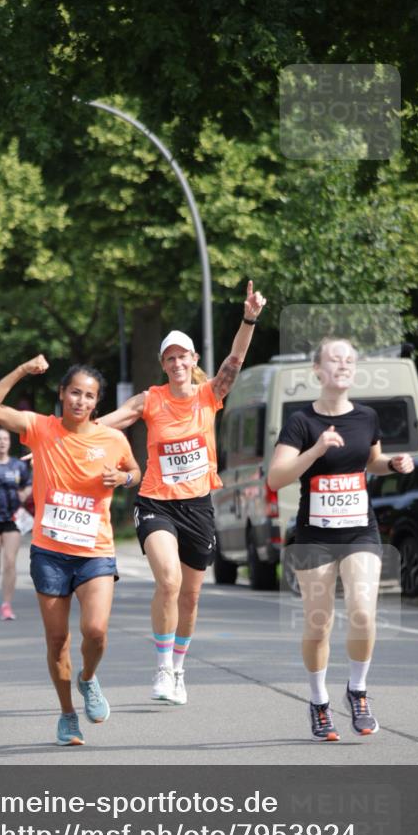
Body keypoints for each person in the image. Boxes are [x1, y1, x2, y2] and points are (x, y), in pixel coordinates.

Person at [99, 280, 266, 706]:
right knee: (169, 581)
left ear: (193, 361)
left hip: (198, 506)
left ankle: (177, 668)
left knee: (190, 597)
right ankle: (160, 668)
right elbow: (108, 422)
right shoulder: (150, 400)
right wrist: (62, 438)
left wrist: (248, 319)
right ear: (163, 364)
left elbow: (235, 359)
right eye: (169, 358)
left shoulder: (209, 395)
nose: (176, 363)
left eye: (182, 356)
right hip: (156, 503)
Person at [0, 357, 140, 746]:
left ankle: (88, 678)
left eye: (89, 396)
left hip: (95, 550)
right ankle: (68, 715)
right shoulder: (40, 428)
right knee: (57, 641)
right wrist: (21, 370)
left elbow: (136, 472)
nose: (81, 401)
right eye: (75, 393)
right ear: (62, 393)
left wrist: (123, 477)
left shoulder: (112, 439)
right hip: (50, 553)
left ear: (97, 403)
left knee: (95, 631)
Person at [267, 337, 414, 741]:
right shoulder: (301, 422)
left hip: (359, 530)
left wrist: (393, 463)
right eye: (335, 359)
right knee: (319, 624)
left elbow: (372, 461)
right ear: (318, 370)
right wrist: (315, 450)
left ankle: (358, 691)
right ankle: (319, 702)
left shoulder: (366, 417)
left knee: (364, 613)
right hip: (314, 535)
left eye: (350, 359)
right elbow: (276, 478)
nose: (344, 365)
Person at [0, 426, 32, 620]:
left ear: (9, 443)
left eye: (5, 439)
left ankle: (6, 605)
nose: (2, 442)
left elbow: (28, 484)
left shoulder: (18, 465)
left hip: (12, 518)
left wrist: (25, 493)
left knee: (10, 562)